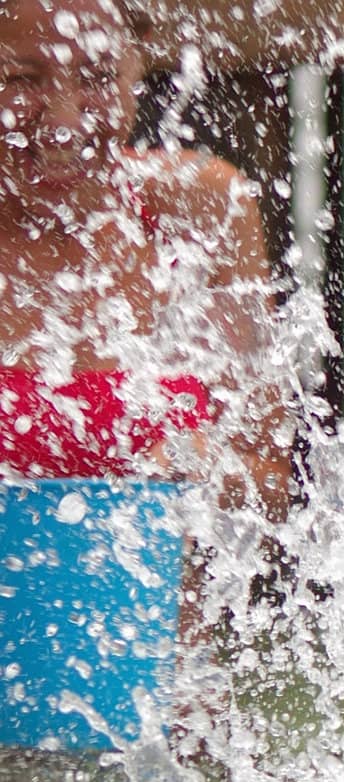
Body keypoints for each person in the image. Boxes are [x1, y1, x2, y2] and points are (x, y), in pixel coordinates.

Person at [0, 0, 289, 514]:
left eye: (96, 77)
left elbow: (270, 482)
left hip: (155, 595)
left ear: (138, 66)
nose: (64, 121)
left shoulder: (201, 209)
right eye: (22, 80)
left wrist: (204, 467)